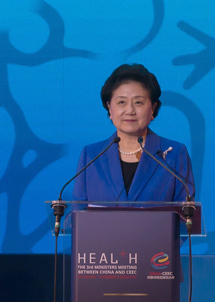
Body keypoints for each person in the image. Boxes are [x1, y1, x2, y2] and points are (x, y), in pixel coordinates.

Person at [72, 64, 194, 205]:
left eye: (138, 102)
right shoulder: (91, 155)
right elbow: (79, 212)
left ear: (153, 108)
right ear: (110, 108)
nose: (130, 110)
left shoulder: (174, 154)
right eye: (121, 102)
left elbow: (186, 213)